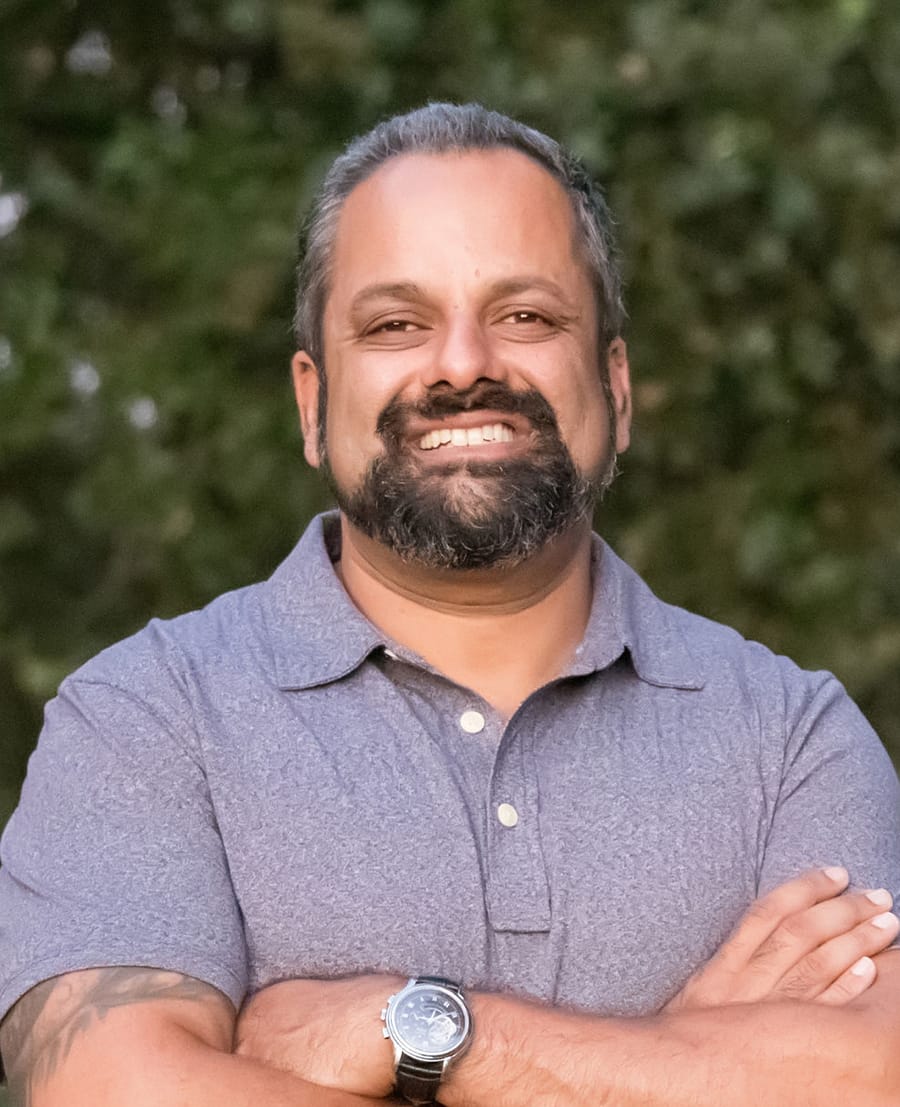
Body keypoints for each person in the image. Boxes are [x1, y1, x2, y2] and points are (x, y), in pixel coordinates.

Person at [0, 102, 898, 1106]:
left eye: (527, 317)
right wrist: (685, 1064)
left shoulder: (792, 738)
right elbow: (108, 1090)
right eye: (396, 325)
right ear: (311, 401)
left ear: (616, 387)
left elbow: (874, 1082)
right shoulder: (145, 719)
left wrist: (417, 1032)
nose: (465, 365)